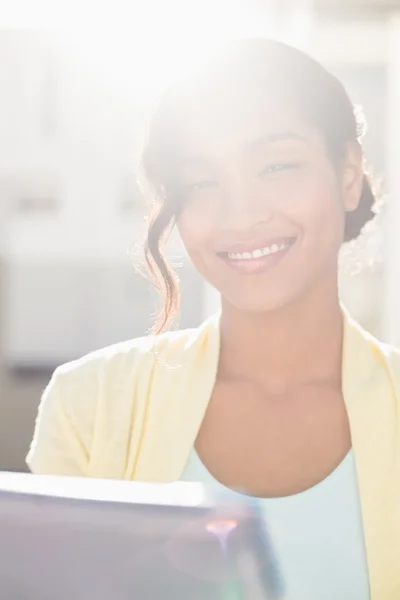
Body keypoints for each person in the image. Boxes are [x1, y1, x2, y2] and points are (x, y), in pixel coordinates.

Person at [27, 39, 400, 598]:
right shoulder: (91, 404)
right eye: (202, 182)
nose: (241, 214)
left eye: (276, 165)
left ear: (348, 173)